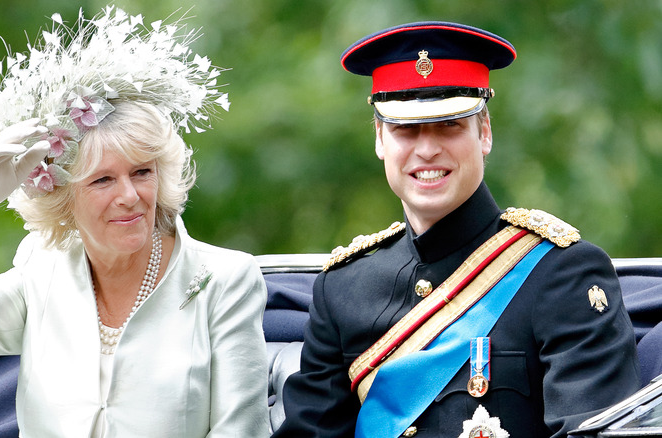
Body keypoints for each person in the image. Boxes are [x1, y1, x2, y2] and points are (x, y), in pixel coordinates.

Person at [0, 6, 269, 437]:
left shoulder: (225, 280)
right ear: (63, 197)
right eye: (102, 180)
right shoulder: (41, 270)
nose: (129, 196)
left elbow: (242, 431)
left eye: (142, 172)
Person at [273, 21, 641, 438]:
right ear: (379, 139)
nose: (427, 149)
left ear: (484, 132)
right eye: (405, 128)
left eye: (449, 124)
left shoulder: (563, 274)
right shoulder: (342, 289)